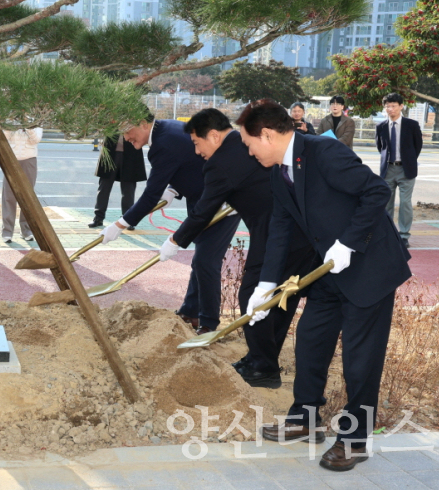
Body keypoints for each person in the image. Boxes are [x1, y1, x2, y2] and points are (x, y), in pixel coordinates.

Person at [237, 99, 410, 472]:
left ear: (266, 135)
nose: (249, 152)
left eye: (249, 144)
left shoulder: (324, 151)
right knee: (312, 338)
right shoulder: (279, 170)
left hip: (368, 266)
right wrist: (265, 285)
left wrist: (348, 242)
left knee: (360, 360)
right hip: (329, 270)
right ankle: (305, 417)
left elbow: (376, 192)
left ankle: (355, 439)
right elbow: (281, 229)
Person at [155, 109, 319, 389]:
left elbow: (203, 211)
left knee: (252, 294)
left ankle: (264, 368)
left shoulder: (221, 162)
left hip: (276, 231)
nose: (197, 151)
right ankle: (260, 358)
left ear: (214, 136)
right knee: (281, 298)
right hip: (298, 228)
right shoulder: (238, 147)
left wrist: (174, 241)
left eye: (197, 143)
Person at [101, 116, 241, 334]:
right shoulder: (166, 128)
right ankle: (191, 312)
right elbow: (188, 161)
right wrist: (175, 187)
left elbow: (150, 196)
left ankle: (209, 325)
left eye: (127, 131)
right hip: (203, 198)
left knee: (206, 261)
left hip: (223, 202)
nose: (126, 138)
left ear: (143, 123)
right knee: (202, 259)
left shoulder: (164, 143)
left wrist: (120, 225)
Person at [375, 93, 423, 247]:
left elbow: (417, 146)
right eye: (387, 106)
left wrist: (408, 160)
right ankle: (389, 233)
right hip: (388, 169)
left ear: (401, 106)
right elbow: (380, 147)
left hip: (406, 169)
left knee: (405, 203)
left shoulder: (412, 125)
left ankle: (404, 235)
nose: (390, 109)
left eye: (393, 106)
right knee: (386, 203)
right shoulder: (381, 126)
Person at [88, 135, 147, 229]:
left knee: (128, 190)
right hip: (110, 153)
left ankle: (127, 220)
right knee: (104, 188)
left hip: (131, 154)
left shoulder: (135, 120)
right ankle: (98, 218)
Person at [1, 127, 43, 243]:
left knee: (28, 196)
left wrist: (28, 126)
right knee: (8, 196)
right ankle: (7, 231)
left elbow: (36, 139)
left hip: (29, 160)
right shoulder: (11, 118)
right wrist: (10, 123)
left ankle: (26, 230)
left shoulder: (35, 120)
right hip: (11, 159)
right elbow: (3, 137)